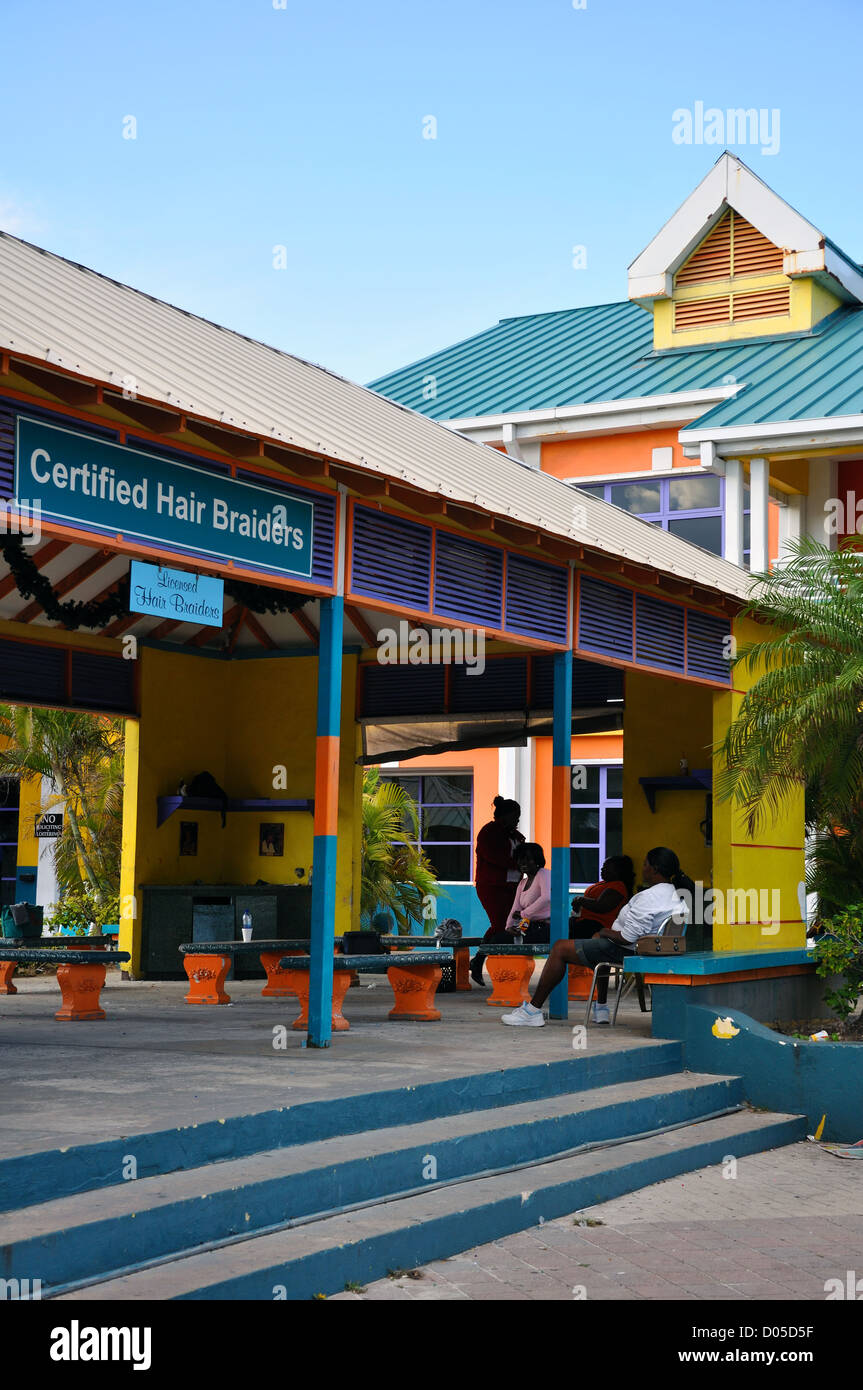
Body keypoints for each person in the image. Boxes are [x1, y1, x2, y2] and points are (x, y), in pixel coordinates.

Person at [501, 846, 691, 1027]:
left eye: (645, 864)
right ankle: (601, 1008)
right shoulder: (675, 896)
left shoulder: (648, 897)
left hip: (627, 951)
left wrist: (603, 931)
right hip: (646, 951)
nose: (643, 868)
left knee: (560, 948)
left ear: (654, 869)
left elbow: (627, 937)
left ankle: (532, 1011)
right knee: (593, 945)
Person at [471, 796, 524, 985]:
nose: (518, 819)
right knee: (501, 925)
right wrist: (520, 864)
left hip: (513, 886)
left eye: (519, 816)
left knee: (504, 925)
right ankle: (482, 961)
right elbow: (493, 857)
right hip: (491, 886)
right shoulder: (489, 831)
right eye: (515, 815)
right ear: (504, 815)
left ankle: (479, 960)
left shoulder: (516, 836)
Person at [569, 855, 634, 940]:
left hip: (599, 926)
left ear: (619, 871)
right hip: (584, 922)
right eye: (603, 866)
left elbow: (601, 906)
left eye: (607, 867)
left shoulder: (618, 886)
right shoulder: (603, 883)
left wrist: (581, 900)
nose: (602, 869)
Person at [503, 843, 552, 943]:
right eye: (520, 859)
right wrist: (509, 927)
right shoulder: (522, 883)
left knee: (504, 941)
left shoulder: (544, 873)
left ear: (537, 860)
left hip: (546, 927)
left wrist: (523, 914)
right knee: (497, 939)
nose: (523, 863)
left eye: (528, 859)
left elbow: (547, 897)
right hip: (528, 925)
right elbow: (515, 908)